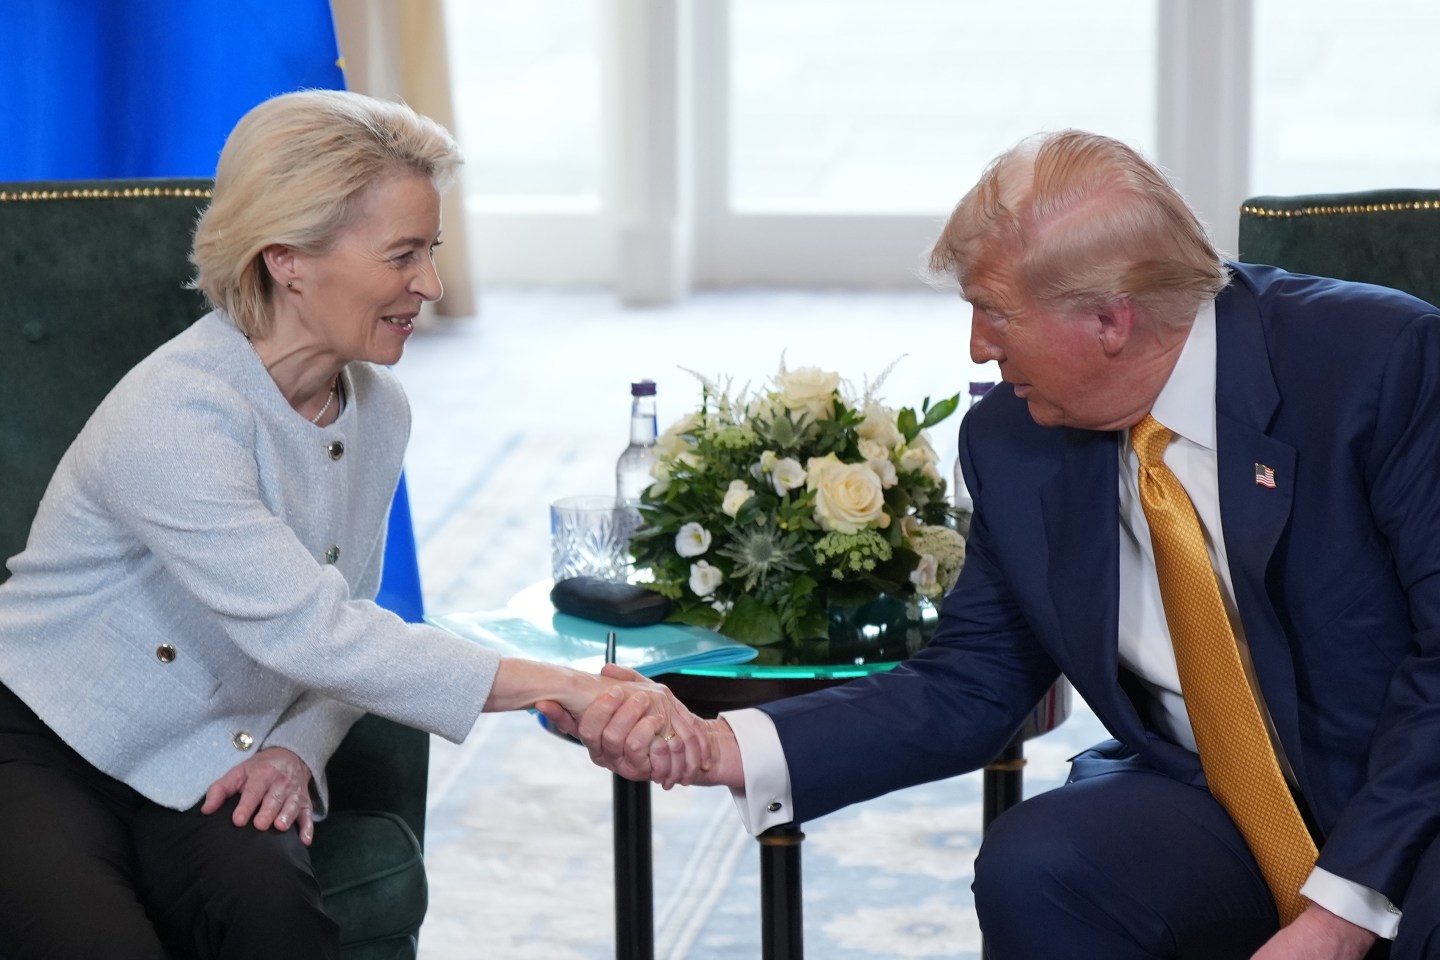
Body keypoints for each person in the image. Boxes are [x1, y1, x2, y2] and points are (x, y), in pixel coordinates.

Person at [548, 130, 1440, 959]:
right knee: (1041, 862)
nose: (977, 349)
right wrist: (710, 745)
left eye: (993, 313)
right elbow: (969, 682)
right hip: (1218, 795)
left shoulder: (1379, 365)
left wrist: (1337, 916)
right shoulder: (1016, 439)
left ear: (1111, 321)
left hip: (1412, 795)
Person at [0, 89, 703, 960]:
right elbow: (314, 631)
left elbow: (351, 618)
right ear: (287, 258)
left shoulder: (378, 410)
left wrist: (296, 750)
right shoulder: (178, 414)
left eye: (432, 250)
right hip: (42, 738)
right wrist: (565, 685)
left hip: (210, 742)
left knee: (280, 923)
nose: (432, 286)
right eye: (402, 255)